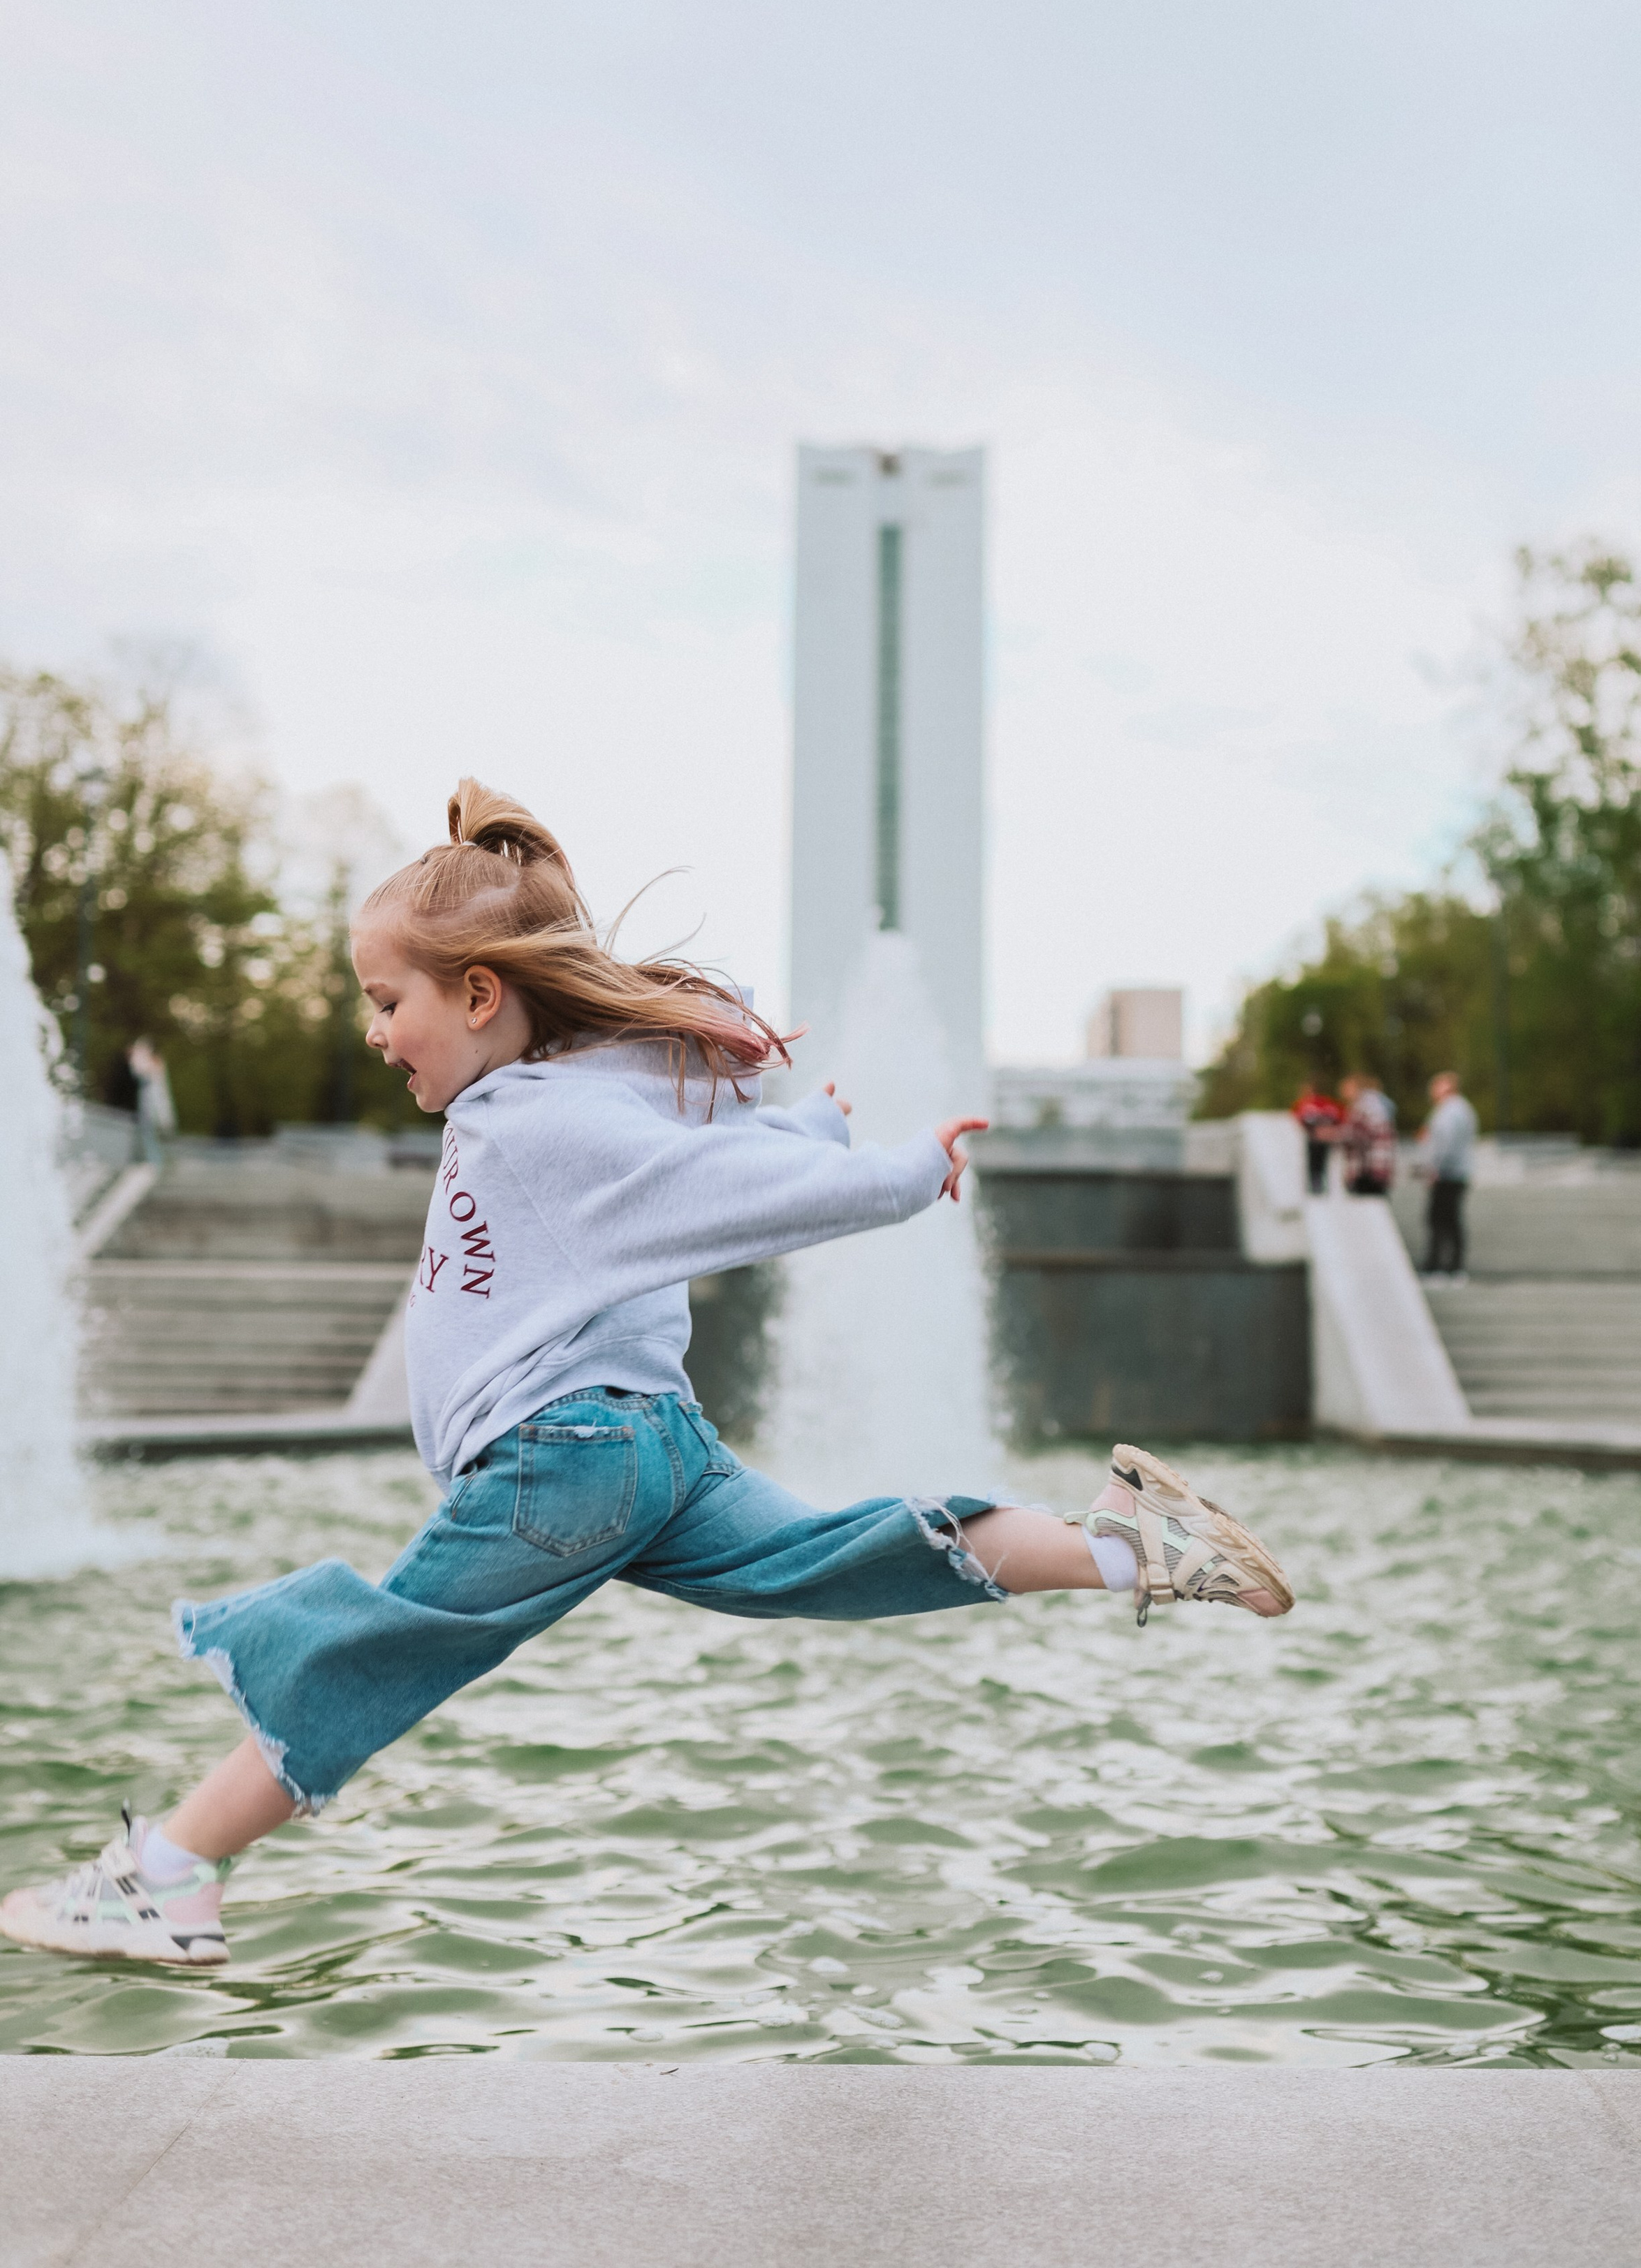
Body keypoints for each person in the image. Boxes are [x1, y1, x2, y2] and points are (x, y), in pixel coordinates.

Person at [2, 781, 1294, 1970]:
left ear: (479, 994)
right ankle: (1124, 1545)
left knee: (379, 1648)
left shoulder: (537, 1121)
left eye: (388, 1002)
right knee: (827, 1558)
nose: (375, 1031)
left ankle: (168, 1875)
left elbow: (717, 1190)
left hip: (563, 1461)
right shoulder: (569, 1095)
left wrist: (892, 1175)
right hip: (652, 1455)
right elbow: (695, 1161)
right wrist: (815, 1128)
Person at [1417, 1071, 1478, 1278]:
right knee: (1449, 1219)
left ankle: (1442, 1265)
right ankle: (1450, 1265)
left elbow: (1445, 1143)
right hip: (1454, 1172)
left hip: (1448, 1173)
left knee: (1441, 1219)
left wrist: (1434, 1168)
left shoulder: (1451, 1110)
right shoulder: (1460, 1109)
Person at [1339, 1071, 1397, 1196]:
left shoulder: (1362, 1106)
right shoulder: (1379, 1104)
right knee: (1377, 1201)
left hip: (1368, 1170)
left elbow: (1353, 1135)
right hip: (1380, 1167)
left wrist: (1328, 1135)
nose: (1342, 1092)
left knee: (1365, 1203)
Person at [127, 1036, 176, 1168]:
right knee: (150, 1134)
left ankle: (158, 1163)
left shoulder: (154, 1065)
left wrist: (136, 1056)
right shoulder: (151, 1065)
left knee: (156, 1133)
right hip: (151, 1105)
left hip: (155, 1106)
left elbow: (141, 1071)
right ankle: (155, 1162)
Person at [1290, 1080, 1343, 1194]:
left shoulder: (1306, 1104)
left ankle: (1317, 1187)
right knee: (1322, 1164)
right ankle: (1322, 1186)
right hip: (1325, 1138)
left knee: (1315, 1164)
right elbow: (1339, 1117)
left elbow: (1299, 1117)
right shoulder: (1329, 1103)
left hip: (1315, 1138)